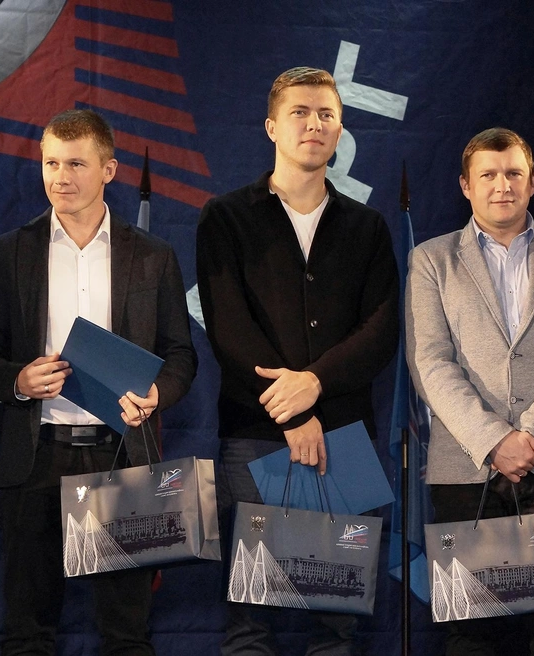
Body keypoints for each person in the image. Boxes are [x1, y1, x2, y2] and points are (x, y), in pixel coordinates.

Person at [0, 108, 197, 655]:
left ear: (109, 170)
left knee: (126, 634)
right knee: (27, 632)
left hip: (122, 453)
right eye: (51, 163)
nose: (60, 177)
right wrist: (19, 379)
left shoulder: (153, 256)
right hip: (35, 456)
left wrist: (157, 394)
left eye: (75, 164)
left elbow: (181, 355)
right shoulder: (8, 252)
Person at [196, 66, 398, 655]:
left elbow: (381, 330)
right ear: (271, 127)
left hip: (345, 439)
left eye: (326, 114)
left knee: (338, 619)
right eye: (300, 113)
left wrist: (316, 384)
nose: (314, 124)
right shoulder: (225, 217)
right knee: (251, 617)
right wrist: (293, 412)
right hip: (255, 436)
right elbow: (229, 328)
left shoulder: (367, 226)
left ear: (340, 130)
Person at [406, 127, 534, 655]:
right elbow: (429, 363)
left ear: (533, 182)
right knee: (471, 632)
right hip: (465, 468)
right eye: (488, 175)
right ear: (465, 186)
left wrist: (532, 435)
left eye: (514, 173)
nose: (502, 185)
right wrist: (495, 441)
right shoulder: (431, 259)